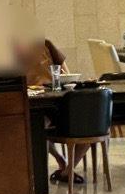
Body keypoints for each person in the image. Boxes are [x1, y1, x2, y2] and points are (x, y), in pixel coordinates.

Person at [19, 37, 88, 185]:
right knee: (36, 128)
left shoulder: (46, 45)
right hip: (37, 105)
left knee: (91, 125)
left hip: (60, 100)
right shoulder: (12, 57)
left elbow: (66, 74)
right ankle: (59, 159)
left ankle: (68, 170)